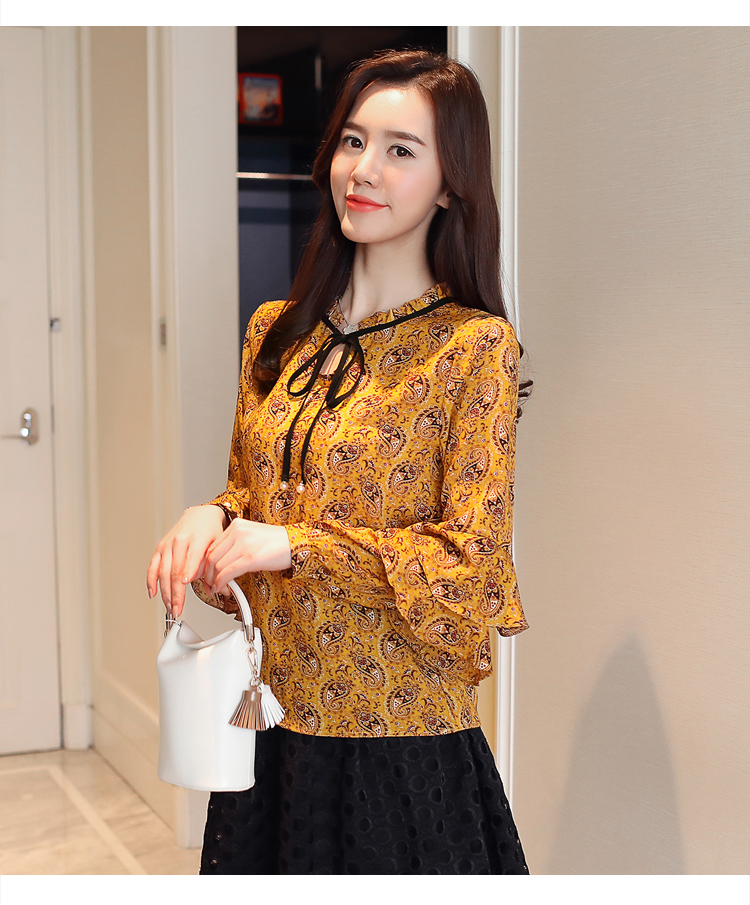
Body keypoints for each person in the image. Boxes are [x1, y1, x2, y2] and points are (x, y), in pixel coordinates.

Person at [147, 48, 533, 875]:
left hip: (398, 743)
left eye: (401, 150)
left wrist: (295, 548)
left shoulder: (474, 349)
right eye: (354, 141)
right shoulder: (275, 329)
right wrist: (212, 515)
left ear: (451, 183)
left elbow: (472, 569)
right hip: (270, 723)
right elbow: (254, 495)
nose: (364, 169)